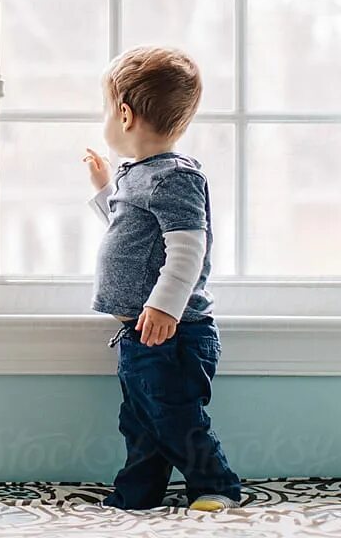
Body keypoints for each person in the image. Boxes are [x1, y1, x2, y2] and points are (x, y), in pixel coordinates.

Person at [82, 45, 241, 513]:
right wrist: (104, 191)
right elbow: (130, 234)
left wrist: (165, 306)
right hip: (141, 332)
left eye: (105, 110)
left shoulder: (174, 176)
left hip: (173, 333)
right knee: (141, 421)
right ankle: (137, 495)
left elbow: (190, 248)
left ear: (125, 114)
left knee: (173, 416)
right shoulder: (138, 175)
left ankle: (217, 486)